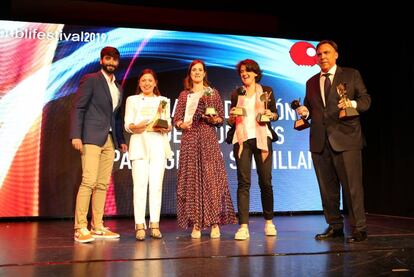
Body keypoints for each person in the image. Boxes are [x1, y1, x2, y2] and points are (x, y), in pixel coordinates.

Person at [297, 40, 371, 243]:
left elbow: (366, 100)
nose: (323, 57)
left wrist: (352, 103)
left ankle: (359, 228)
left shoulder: (351, 74)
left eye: (327, 53)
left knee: (352, 187)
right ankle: (335, 226)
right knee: (327, 189)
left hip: (346, 139)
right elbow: (310, 109)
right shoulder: (311, 81)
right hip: (320, 142)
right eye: (319, 54)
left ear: (336, 54)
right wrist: (305, 111)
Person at [174, 59, 237, 238]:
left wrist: (212, 118)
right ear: (190, 73)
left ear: (204, 73)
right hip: (190, 140)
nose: (197, 73)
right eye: (194, 70)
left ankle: (214, 222)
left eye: (200, 70)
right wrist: (181, 124)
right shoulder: (184, 95)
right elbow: (176, 119)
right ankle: (196, 224)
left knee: (211, 180)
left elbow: (220, 119)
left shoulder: (212, 92)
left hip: (207, 139)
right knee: (192, 181)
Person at [70, 46, 128, 243]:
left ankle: (97, 226)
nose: (111, 62)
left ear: (118, 63)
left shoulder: (118, 87)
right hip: (91, 137)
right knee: (89, 181)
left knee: (102, 184)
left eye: (114, 60)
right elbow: (79, 107)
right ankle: (79, 227)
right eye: (108, 59)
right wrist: (76, 135)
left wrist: (121, 141)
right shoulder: (91, 80)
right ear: (102, 60)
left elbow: (116, 117)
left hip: (110, 139)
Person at [226, 59, 279, 240]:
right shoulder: (236, 93)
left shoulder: (267, 91)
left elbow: (274, 113)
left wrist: (270, 115)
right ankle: (243, 226)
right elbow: (232, 118)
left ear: (256, 73)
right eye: (241, 71)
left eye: (247, 70)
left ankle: (269, 221)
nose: (244, 74)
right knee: (243, 182)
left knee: (265, 181)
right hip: (242, 139)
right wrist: (231, 118)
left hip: (262, 138)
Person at [124, 69, 172, 241]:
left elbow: (168, 125)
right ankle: (139, 225)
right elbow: (127, 125)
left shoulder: (163, 101)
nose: (146, 83)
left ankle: (155, 224)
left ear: (155, 82)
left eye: (150, 80)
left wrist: (165, 127)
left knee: (156, 186)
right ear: (139, 83)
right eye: (143, 80)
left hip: (158, 144)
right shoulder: (132, 100)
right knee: (140, 186)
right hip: (139, 144)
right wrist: (138, 126)